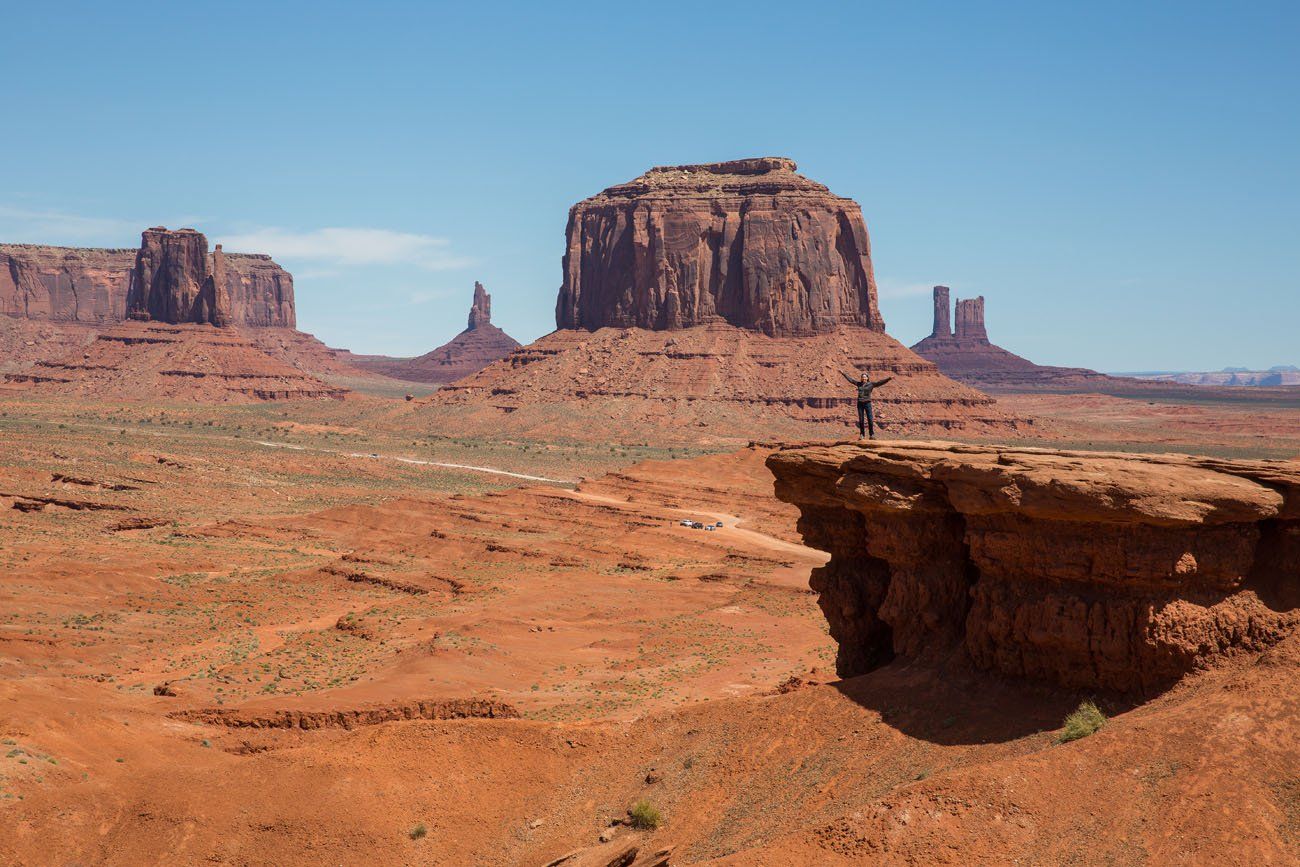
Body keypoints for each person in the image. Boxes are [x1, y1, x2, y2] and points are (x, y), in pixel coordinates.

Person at [840, 370, 893, 438]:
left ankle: (871, 434)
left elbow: (880, 382)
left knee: (870, 419)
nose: (864, 378)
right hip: (860, 403)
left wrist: (889, 378)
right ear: (861, 378)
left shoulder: (871, 384)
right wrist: (843, 373)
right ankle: (862, 435)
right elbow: (851, 380)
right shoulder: (859, 384)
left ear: (867, 378)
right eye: (862, 377)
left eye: (865, 377)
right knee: (861, 420)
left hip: (867, 403)